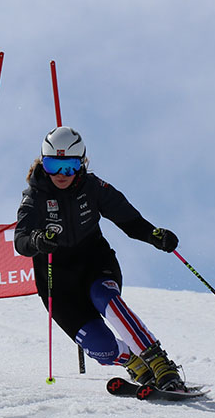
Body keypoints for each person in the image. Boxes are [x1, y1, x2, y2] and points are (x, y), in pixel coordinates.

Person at [14, 126, 187, 392]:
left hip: (93, 264)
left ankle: (159, 362)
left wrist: (154, 235)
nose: (62, 175)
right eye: (53, 165)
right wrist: (37, 240)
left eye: (70, 166)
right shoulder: (34, 197)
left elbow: (128, 218)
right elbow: (21, 241)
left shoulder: (93, 187)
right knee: (101, 348)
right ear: (43, 163)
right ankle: (136, 363)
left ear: (81, 164)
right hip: (57, 286)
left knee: (104, 297)